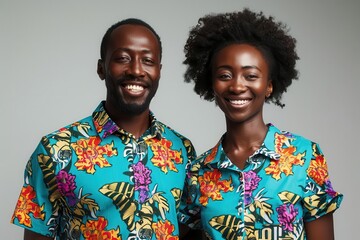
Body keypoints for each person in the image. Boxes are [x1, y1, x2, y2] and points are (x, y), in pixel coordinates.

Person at [11, 18, 196, 240]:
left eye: (148, 60)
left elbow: (189, 231)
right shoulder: (55, 150)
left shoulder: (182, 150)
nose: (136, 70)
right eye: (122, 58)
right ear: (101, 68)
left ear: (159, 71)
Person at [178, 9, 343, 240]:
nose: (236, 86)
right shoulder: (198, 173)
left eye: (251, 76)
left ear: (269, 86)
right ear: (211, 84)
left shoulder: (305, 157)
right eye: (225, 75)